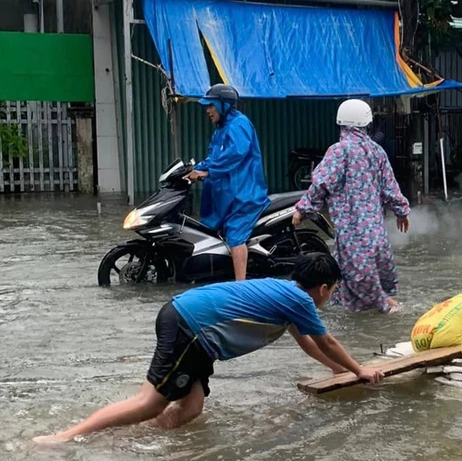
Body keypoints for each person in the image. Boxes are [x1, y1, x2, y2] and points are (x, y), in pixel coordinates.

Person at [32, 255, 384, 445]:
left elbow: (308, 344)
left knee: (191, 407)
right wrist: (360, 371)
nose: (331, 297)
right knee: (151, 402)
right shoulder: (299, 299)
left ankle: (133, 440)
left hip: (189, 325)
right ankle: (65, 437)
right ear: (322, 288)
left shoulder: (286, 295)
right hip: (191, 328)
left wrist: (340, 371)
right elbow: (327, 341)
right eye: (333, 291)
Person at [292, 99, 410, 313]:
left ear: (341, 123)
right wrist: (401, 211)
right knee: (341, 282)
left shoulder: (339, 151)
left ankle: (386, 308)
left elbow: (321, 183)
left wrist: (303, 209)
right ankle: (359, 317)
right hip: (376, 235)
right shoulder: (377, 151)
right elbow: (390, 187)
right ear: (367, 122)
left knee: (366, 288)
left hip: (353, 235)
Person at [182, 84, 269, 281]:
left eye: (211, 106)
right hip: (226, 195)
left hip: (244, 195)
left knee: (234, 235)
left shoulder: (239, 125)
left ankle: (241, 286)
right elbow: (214, 157)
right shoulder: (221, 130)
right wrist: (192, 169)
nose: (208, 110)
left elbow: (234, 155)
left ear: (224, 105)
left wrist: (207, 172)